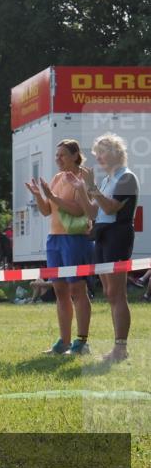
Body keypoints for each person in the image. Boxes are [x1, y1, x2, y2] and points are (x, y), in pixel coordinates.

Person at [75, 133, 140, 363]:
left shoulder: (127, 178)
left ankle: (121, 348)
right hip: (102, 236)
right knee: (109, 293)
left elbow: (111, 208)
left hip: (117, 236)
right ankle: (118, 348)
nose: (98, 157)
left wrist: (92, 187)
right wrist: (82, 190)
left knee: (117, 293)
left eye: (101, 152)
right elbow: (94, 212)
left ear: (115, 153)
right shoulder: (106, 180)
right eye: (97, 153)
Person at [25, 138, 93, 356]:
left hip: (74, 239)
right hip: (54, 239)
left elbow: (79, 210)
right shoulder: (57, 178)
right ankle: (64, 341)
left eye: (62, 155)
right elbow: (47, 211)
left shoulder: (82, 178)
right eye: (57, 155)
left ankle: (82, 342)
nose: (58, 159)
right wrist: (39, 196)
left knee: (77, 289)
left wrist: (52, 196)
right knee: (60, 290)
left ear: (75, 156)